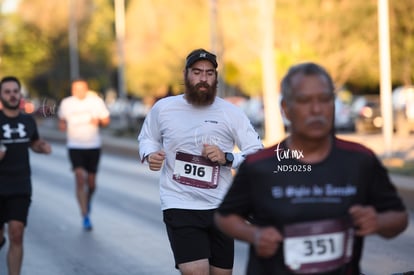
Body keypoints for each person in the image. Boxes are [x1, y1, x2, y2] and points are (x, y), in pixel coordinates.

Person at [215, 62, 409, 275]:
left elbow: (399, 217)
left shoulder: (360, 160)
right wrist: (254, 235)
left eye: (324, 99)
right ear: (286, 108)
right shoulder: (259, 165)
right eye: (305, 101)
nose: (316, 109)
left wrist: (378, 222)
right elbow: (225, 217)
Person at [138, 48, 263, 275]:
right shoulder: (164, 109)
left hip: (221, 207)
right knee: (196, 272)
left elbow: (257, 153)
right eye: (197, 72)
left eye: (209, 73)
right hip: (179, 203)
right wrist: (150, 154)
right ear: (186, 74)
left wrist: (228, 158)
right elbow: (148, 137)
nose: (203, 78)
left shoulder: (230, 113)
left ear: (216, 77)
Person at [0, 76, 52, 275]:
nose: (12, 95)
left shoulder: (28, 120)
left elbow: (34, 143)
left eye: (15, 91)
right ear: (1, 95)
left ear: (19, 94)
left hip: (20, 184)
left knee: (17, 233)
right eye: (7, 92)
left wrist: (42, 147)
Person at [58, 78, 110, 231]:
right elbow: (61, 122)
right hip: (75, 146)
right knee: (80, 178)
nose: (78, 91)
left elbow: (106, 120)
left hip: (93, 146)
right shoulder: (67, 103)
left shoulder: (95, 102)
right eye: (75, 89)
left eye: (81, 88)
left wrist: (99, 122)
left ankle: (87, 201)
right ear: (72, 90)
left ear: (86, 89)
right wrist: (63, 125)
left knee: (92, 184)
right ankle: (85, 215)